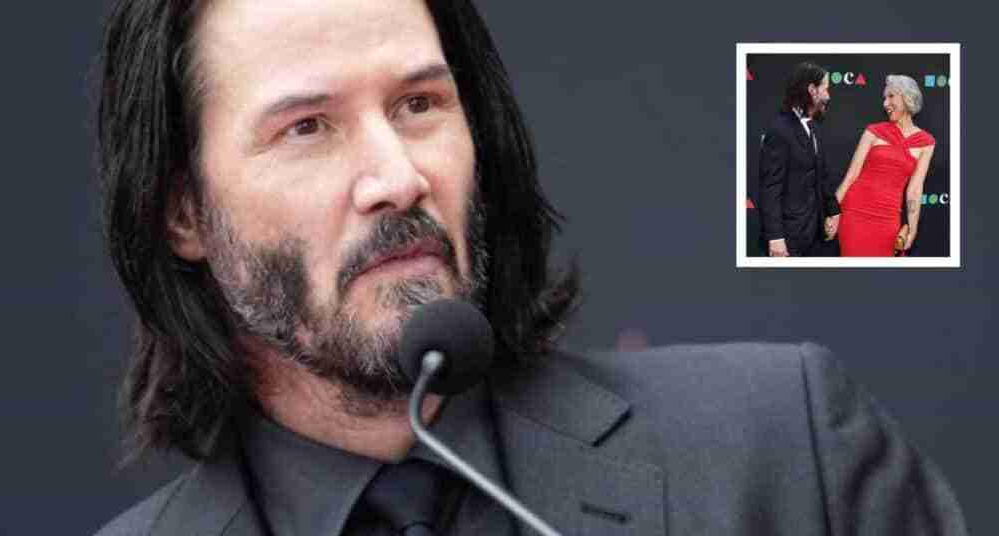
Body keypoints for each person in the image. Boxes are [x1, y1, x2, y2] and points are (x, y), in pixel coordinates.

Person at [93, 1, 966, 534]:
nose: (398, 176)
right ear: (183, 211)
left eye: (419, 104)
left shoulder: (784, 449)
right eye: (307, 128)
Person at [836, 75, 936, 256]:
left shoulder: (926, 142)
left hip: (889, 220)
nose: (885, 103)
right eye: (884, 98)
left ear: (907, 97)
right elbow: (851, 175)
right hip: (855, 214)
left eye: (891, 96)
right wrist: (833, 212)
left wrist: (912, 228)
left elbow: (914, 189)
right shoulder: (874, 131)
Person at [758, 61, 842, 257]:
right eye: (825, 89)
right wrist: (775, 237)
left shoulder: (814, 127)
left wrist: (833, 211)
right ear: (812, 90)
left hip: (814, 235)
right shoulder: (780, 130)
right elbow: (770, 188)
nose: (828, 96)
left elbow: (822, 176)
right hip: (788, 240)